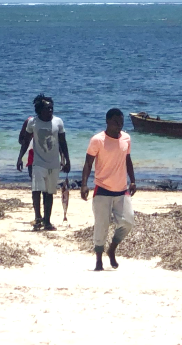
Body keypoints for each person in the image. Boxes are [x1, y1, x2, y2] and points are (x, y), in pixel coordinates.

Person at [80, 107, 136, 271]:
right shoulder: (97, 140)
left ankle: (112, 248)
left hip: (121, 189)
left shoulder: (126, 138)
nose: (119, 125)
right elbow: (88, 163)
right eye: (116, 121)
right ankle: (98, 260)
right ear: (108, 121)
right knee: (101, 225)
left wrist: (132, 180)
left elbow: (128, 160)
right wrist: (84, 184)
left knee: (128, 222)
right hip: (102, 189)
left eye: (121, 122)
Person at [16, 94, 70, 231]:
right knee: (36, 190)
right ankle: (38, 217)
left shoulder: (58, 122)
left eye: (52, 108)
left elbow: (63, 143)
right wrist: (20, 158)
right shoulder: (32, 123)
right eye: (47, 108)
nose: (50, 111)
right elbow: (26, 141)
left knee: (49, 193)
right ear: (40, 110)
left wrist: (67, 160)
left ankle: (47, 221)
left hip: (54, 164)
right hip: (38, 163)